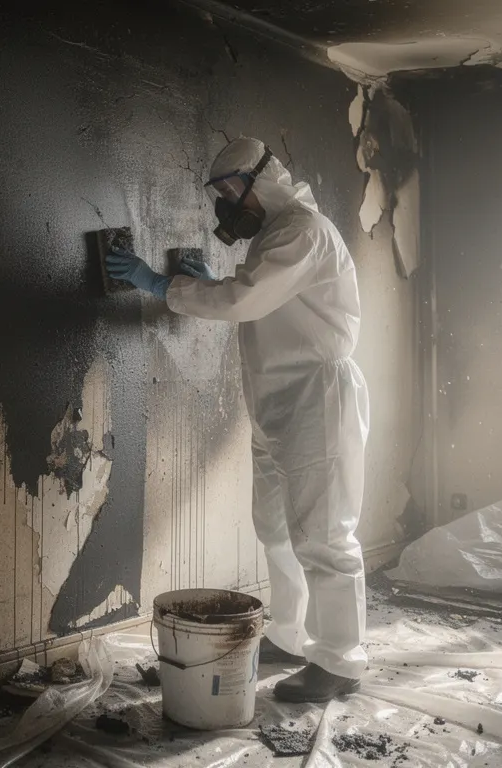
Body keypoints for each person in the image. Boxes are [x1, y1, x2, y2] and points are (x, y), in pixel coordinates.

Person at [106, 137, 370, 703]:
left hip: (316, 399)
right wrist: (208, 285)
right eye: (220, 194)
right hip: (277, 403)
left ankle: (340, 661)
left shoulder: (305, 231)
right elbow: (253, 301)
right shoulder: (277, 236)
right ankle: (291, 636)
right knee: (276, 528)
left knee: (324, 535)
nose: (228, 205)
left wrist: (165, 284)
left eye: (233, 191)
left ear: (264, 180)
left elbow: (243, 302)